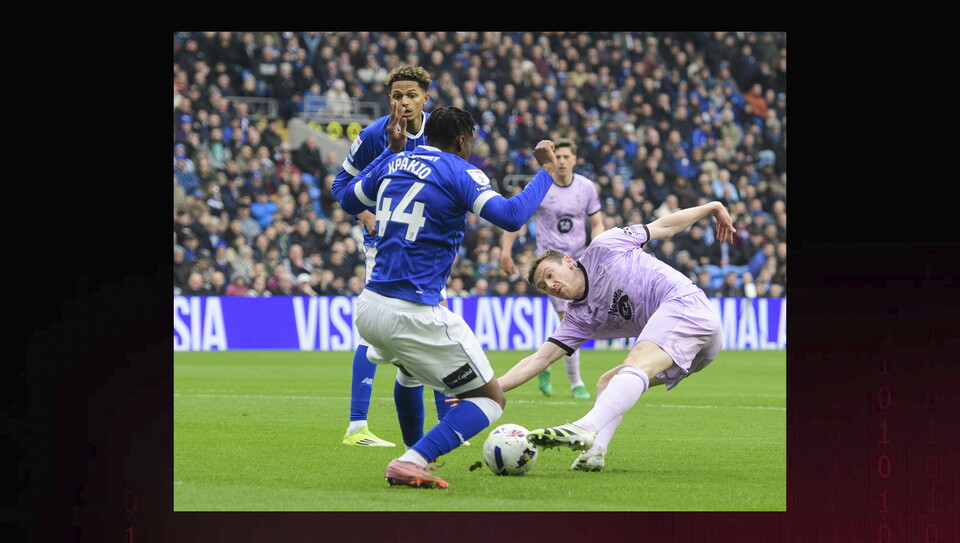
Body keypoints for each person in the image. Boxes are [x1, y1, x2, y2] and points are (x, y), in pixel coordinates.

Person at [335, 104, 559, 488]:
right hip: (413, 310)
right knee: (490, 400)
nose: (471, 147)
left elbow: (349, 201)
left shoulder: (396, 162)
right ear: (461, 140)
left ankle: (414, 452)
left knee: (409, 373)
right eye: (471, 140)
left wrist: (389, 151)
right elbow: (510, 216)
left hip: (370, 306)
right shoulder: (461, 171)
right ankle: (412, 459)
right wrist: (547, 173)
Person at [495, 200, 736, 473]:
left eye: (550, 275)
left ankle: (584, 426)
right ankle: (595, 452)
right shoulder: (577, 317)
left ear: (568, 261)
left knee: (635, 361)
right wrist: (491, 389)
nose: (551, 286)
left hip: (685, 305)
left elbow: (664, 227)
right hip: (698, 353)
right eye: (544, 286)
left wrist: (712, 207)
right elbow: (539, 359)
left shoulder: (604, 246)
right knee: (607, 382)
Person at [330, 65, 448, 448]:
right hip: (384, 245)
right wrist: (366, 214)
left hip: (427, 246)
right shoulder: (374, 134)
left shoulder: (440, 133)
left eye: (411, 95)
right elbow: (340, 184)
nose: (404, 102)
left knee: (432, 323)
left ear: (425, 98)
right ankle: (357, 426)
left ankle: (444, 425)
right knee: (383, 329)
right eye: (397, 96)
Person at [499, 137, 604, 400]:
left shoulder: (586, 187)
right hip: (550, 267)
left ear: (574, 160)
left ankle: (545, 363)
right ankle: (576, 382)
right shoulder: (542, 186)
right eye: (559, 157)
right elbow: (516, 218)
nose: (563, 162)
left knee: (574, 319)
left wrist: (597, 248)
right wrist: (505, 251)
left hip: (579, 262)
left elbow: (598, 222)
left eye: (567, 157)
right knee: (571, 319)